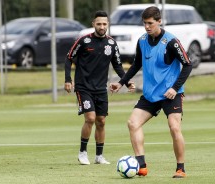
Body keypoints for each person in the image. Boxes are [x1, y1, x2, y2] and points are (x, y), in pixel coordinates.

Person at [110, 6, 192, 178]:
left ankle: (180, 169)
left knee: (174, 127)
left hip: (171, 94)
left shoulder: (171, 41)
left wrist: (175, 88)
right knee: (133, 123)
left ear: (159, 21)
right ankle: (141, 167)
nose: (147, 27)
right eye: (144, 23)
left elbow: (187, 64)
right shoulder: (142, 40)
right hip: (151, 94)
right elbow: (136, 65)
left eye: (150, 23)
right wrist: (121, 82)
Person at [65, 10, 134, 165]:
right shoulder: (83, 41)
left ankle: (99, 156)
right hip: (83, 87)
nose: (102, 26)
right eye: (99, 24)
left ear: (107, 24)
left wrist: (126, 81)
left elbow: (118, 66)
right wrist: (68, 79)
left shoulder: (111, 43)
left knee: (101, 121)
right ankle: (82, 153)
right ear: (93, 24)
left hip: (101, 88)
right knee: (90, 118)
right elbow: (69, 58)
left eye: (104, 24)